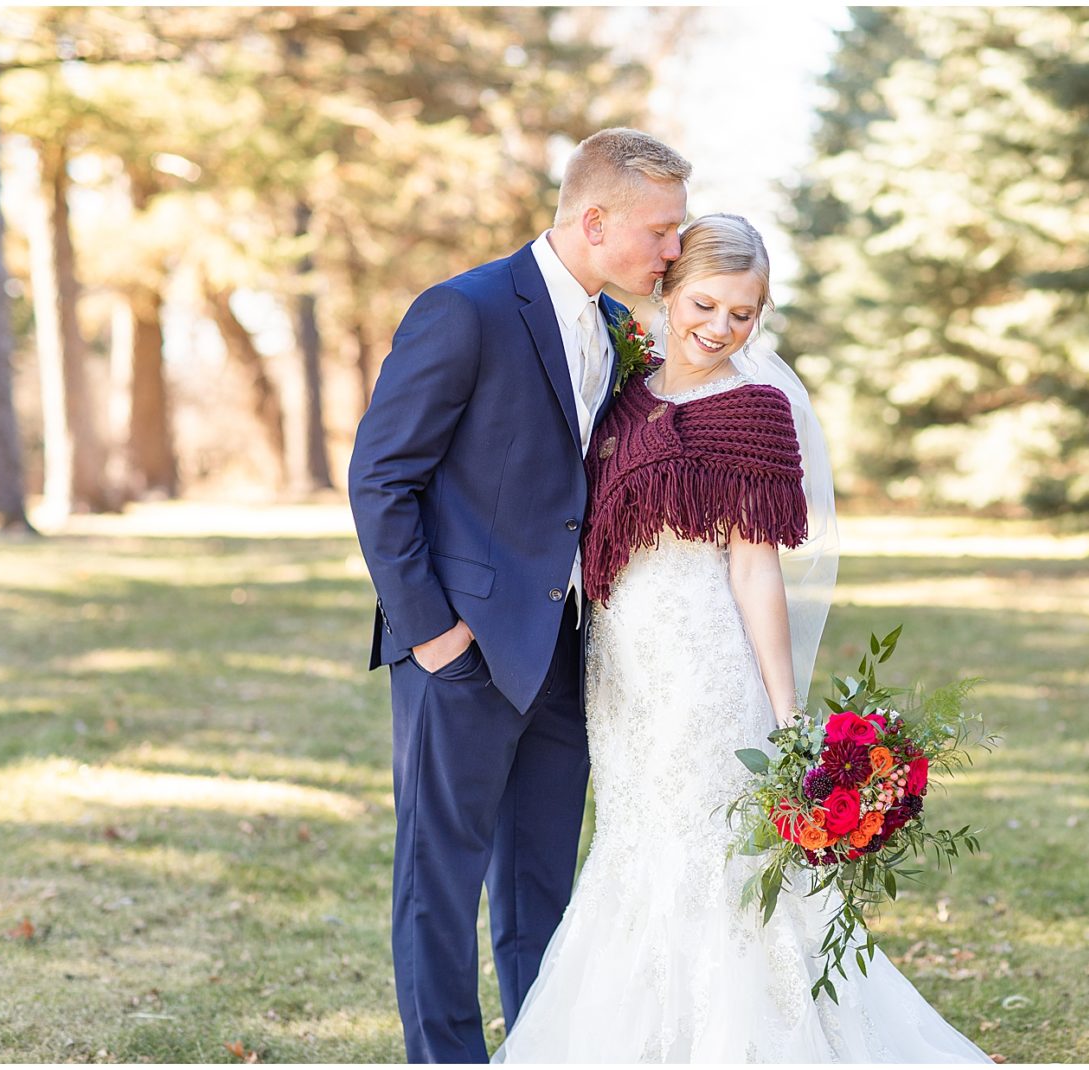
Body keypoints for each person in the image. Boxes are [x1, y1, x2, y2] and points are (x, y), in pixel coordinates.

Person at [493, 215, 993, 1063]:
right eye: (707, 303)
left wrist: (784, 707)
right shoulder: (621, 390)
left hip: (704, 667)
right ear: (666, 288)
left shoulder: (754, 409)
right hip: (620, 670)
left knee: (709, 851)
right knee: (632, 844)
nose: (721, 328)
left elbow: (755, 566)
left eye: (744, 314)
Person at [348, 128, 691, 1063]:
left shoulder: (616, 328)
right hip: (459, 652)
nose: (674, 249)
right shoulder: (465, 310)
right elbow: (381, 478)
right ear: (595, 220)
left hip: (565, 650)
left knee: (542, 886)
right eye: (662, 232)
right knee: (440, 882)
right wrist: (433, 637)